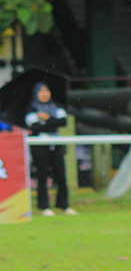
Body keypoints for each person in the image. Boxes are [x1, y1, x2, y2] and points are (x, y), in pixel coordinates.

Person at [24, 82, 76, 216]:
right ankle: (44, 206)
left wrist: (47, 118)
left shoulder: (56, 106)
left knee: (61, 175)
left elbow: (63, 122)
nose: (44, 94)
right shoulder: (31, 108)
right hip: (40, 146)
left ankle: (63, 205)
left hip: (56, 143)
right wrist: (52, 122)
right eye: (41, 92)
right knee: (42, 176)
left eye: (46, 91)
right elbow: (35, 127)